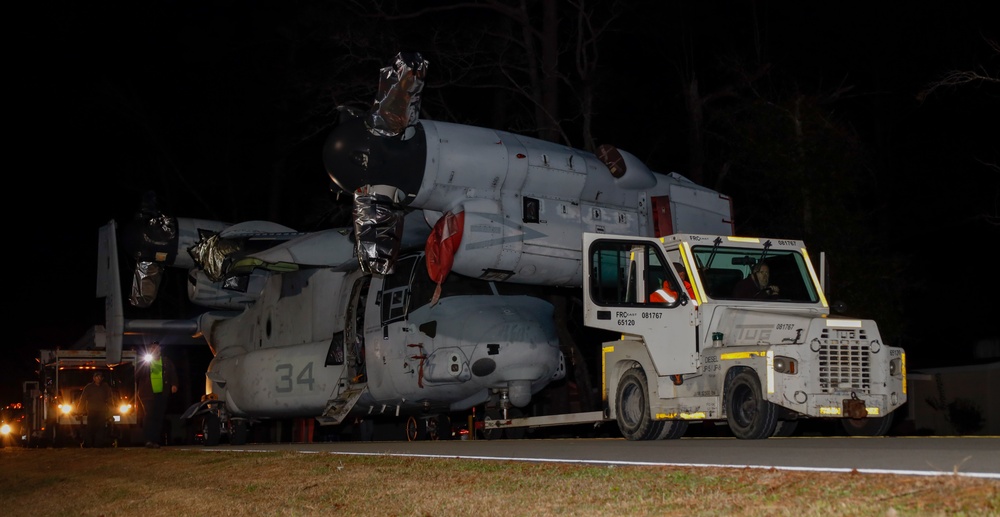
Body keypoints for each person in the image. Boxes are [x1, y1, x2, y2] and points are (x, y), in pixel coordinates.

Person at [135, 343, 179, 448]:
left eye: (157, 348)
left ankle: (155, 440)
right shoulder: (145, 362)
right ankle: (148, 440)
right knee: (149, 415)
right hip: (147, 394)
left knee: (158, 416)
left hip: (162, 393)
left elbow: (173, 373)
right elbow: (137, 375)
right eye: (153, 349)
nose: (155, 350)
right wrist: (145, 365)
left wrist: (174, 384)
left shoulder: (166, 361)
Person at [78, 372, 113, 447]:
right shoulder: (88, 387)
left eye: (100, 377)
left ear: (102, 378)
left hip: (102, 411)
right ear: (93, 378)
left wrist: (112, 410)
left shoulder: (105, 387)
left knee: (101, 429)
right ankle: (88, 444)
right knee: (90, 428)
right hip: (92, 411)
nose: (98, 379)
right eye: (97, 377)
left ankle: (98, 445)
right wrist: (79, 411)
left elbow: (110, 399)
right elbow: (83, 399)